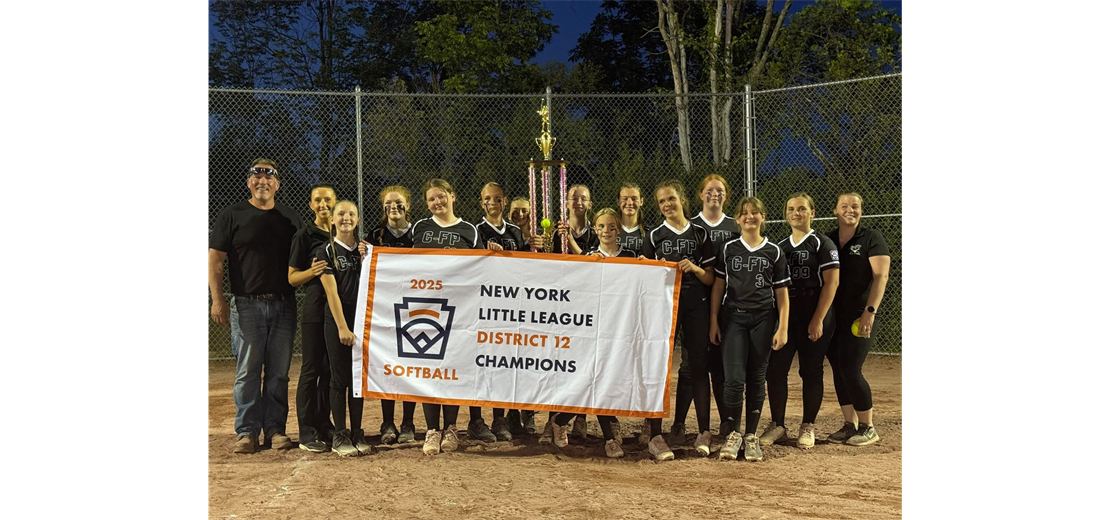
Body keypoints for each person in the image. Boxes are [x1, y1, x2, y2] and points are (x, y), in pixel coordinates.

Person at [208, 158, 301, 454]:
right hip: (246, 304)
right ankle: (247, 431)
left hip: (284, 304)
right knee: (247, 371)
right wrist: (218, 299)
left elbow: (308, 250)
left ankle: (275, 429)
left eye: (269, 176)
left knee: (278, 372)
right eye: (257, 176)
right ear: (249, 182)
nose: (263, 181)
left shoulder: (289, 218)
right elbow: (215, 260)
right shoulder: (232, 215)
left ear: (277, 184)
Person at [411, 179, 502, 455]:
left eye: (441, 197)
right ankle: (431, 430)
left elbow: (478, 268)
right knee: (428, 366)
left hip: (459, 309)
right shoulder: (420, 228)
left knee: (451, 367)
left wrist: (492, 254)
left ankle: (450, 428)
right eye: (431, 199)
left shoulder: (469, 230)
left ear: (453, 197)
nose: (437, 203)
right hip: (425, 306)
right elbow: (402, 260)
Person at [549, 207, 635, 458]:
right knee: (597, 379)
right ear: (594, 230)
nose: (606, 231)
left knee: (606, 381)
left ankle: (561, 419)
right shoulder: (589, 256)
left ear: (618, 229)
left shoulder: (630, 255)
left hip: (619, 328)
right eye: (601, 227)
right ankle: (609, 439)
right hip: (593, 329)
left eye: (611, 226)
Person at [710, 196, 790, 462]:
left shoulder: (774, 251)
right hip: (734, 318)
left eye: (755, 213)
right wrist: (714, 320)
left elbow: (781, 293)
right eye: (744, 213)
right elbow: (718, 287)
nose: (750, 217)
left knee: (757, 378)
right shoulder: (728, 248)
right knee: (733, 379)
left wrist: (783, 327)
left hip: (763, 319)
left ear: (763, 217)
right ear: (737, 219)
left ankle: (752, 435)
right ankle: (733, 434)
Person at [640, 180, 716, 459]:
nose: (667, 205)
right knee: (660, 368)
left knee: (698, 366)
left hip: (696, 304)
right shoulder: (655, 235)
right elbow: (646, 276)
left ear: (682, 199)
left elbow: (710, 278)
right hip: (665, 307)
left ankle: (705, 431)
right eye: (661, 202)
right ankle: (657, 435)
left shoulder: (700, 232)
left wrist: (694, 268)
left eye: (671, 199)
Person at [760, 193, 840, 450]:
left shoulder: (822, 243)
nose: (797, 213)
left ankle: (808, 425)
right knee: (775, 369)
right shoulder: (779, 246)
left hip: (815, 311)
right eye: (792, 209)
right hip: (787, 314)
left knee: (811, 370)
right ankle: (778, 425)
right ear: (786, 215)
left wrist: (818, 319)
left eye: (802, 209)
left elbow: (832, 283)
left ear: (812, 213)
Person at [824, 192, 890, 447]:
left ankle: (868, 427)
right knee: (839, 370)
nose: (850, 210)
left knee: (851, 368)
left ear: (861, 210)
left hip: (860, 315)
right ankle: (849, 425)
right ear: (835, 210)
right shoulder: (828, 239)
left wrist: (869, 312)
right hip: (833, 316)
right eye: (844, 206)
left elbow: (880, 277)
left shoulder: (872, 238)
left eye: (855, 206)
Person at [475, 182, 531, 441]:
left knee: (508, 360)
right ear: (481, 202)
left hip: (511, 303)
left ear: (504, 201)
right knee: (484, 361)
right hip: (484, 303)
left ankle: (504, 417)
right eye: (488, 198)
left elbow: (521, 266)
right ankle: (480, 419)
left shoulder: (515, 232)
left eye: (497, 198)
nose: (493, 202)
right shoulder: (475, 231)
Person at [318, 200, 374, 457]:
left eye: (351, 214)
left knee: (358, 380)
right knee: (339, 379)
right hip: (339, 321)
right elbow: (332, 294)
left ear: (358, 219)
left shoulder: (365, 251)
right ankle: (340, 434)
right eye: (340, 214)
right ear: (332, 220)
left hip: (362, 322)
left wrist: (368, 256)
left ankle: (357, 431)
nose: (346, 218)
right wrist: (342, 327)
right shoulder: (325, 251)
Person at [287, 183, 339, 452]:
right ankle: (307, 431)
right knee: (311, 369)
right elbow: (292, 277)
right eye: (317, 200)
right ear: (311, 205)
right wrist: (313, 271)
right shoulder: (304, 235)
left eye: (328, 199)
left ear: (335, 202)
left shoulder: (342, 232)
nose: (323, 204)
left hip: (338, 312)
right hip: (315, 310)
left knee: (330, 369)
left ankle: (323, 422)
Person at [690, 175, 740, 434]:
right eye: (709, 190)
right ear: (701, 194)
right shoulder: (691, 225)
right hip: (697, 302)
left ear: (726, 196)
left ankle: (727, 420)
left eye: (720, 190)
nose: (715, 194)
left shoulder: (735, 225)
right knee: (694, 366)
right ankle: (683, 424)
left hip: (728, 302)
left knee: (722, 365)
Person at [367, 185, 418, 444]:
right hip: (384, 308)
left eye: (399, 203)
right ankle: (387, 421)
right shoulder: (375, 234)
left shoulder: (419, 232)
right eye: (388, 204)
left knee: (411, 362)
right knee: (388, 365)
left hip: (414, 305)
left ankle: (408, 422)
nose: (394, 208)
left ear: (408, 205)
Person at [616, 183, 645, 253]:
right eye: (625, 199)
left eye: (634, 199)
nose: (629, 203)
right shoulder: (608, 231)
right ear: (618, 201)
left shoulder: (649, 233)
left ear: (641, 201)